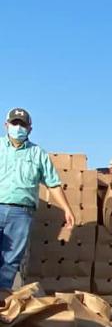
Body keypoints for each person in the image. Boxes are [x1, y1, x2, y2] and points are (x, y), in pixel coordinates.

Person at [0, 108, 75, 290]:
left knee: (10, 262)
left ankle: (1, 303)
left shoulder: (38, 154)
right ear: (6, 125)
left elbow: (53, 183)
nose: (18, 127)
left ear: (30, 129)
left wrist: (67, 209)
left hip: (21, 212)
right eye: (14, 123)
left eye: (22, 125)